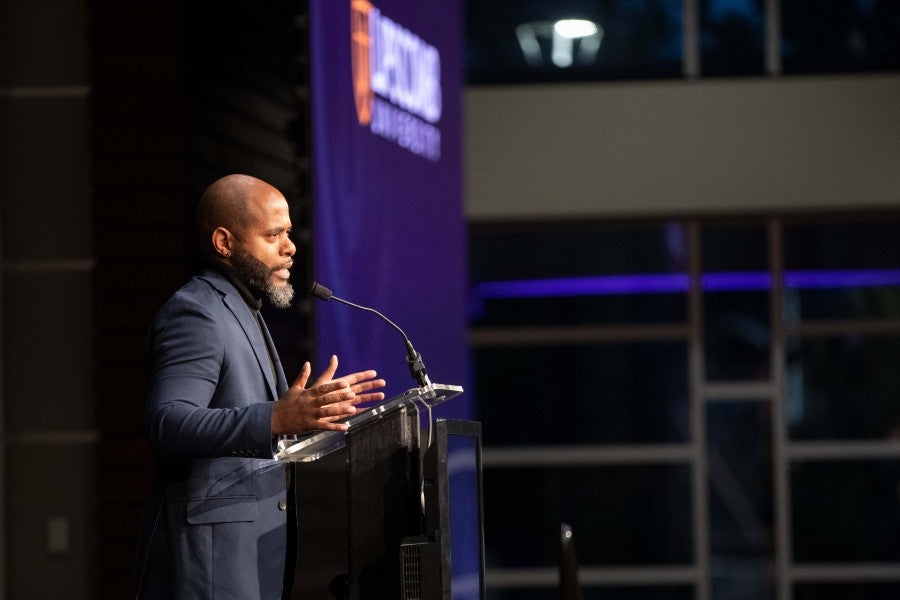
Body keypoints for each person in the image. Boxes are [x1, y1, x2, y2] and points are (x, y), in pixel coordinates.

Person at [132, 174, 386, 599]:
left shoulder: (243, 308)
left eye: (288, 232)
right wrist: (275, 417)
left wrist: (304, 419)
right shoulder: (196, 314)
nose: (290, 247)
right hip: (209, 566)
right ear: (223, 242)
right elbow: (168, 422)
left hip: (249, 558)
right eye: (273, 235)